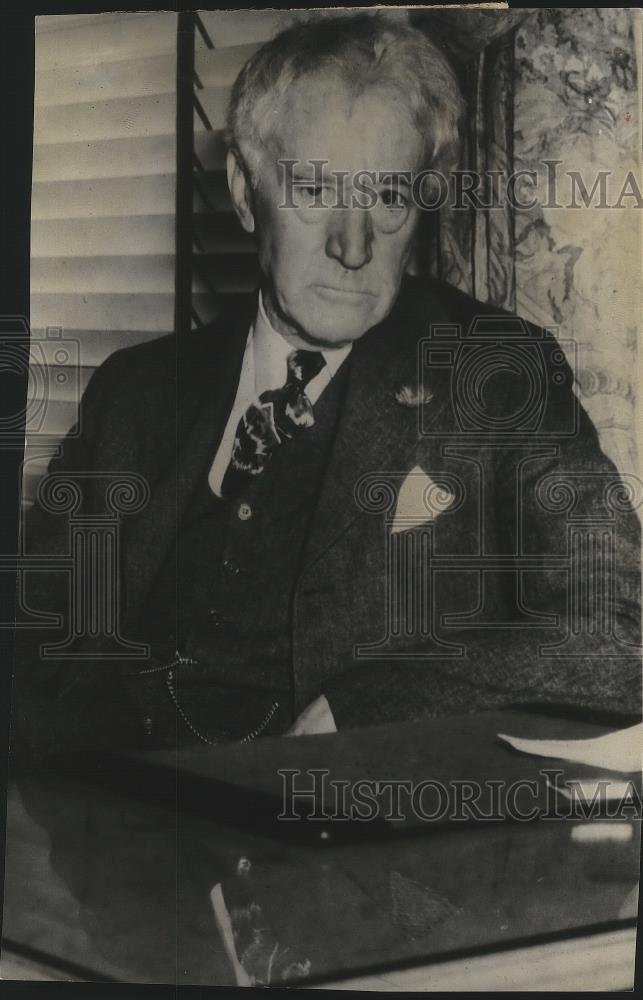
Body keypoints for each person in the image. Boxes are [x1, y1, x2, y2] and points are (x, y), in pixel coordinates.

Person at [12, 13, 641, 762]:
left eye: (386, 197)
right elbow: (31, 642)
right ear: (245, 192)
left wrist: (375, 705)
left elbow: (619, 633)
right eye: (313, 188)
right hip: (105, 826)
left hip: (323, 842)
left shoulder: (496, 374)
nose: (351, 245)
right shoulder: (134, 390)